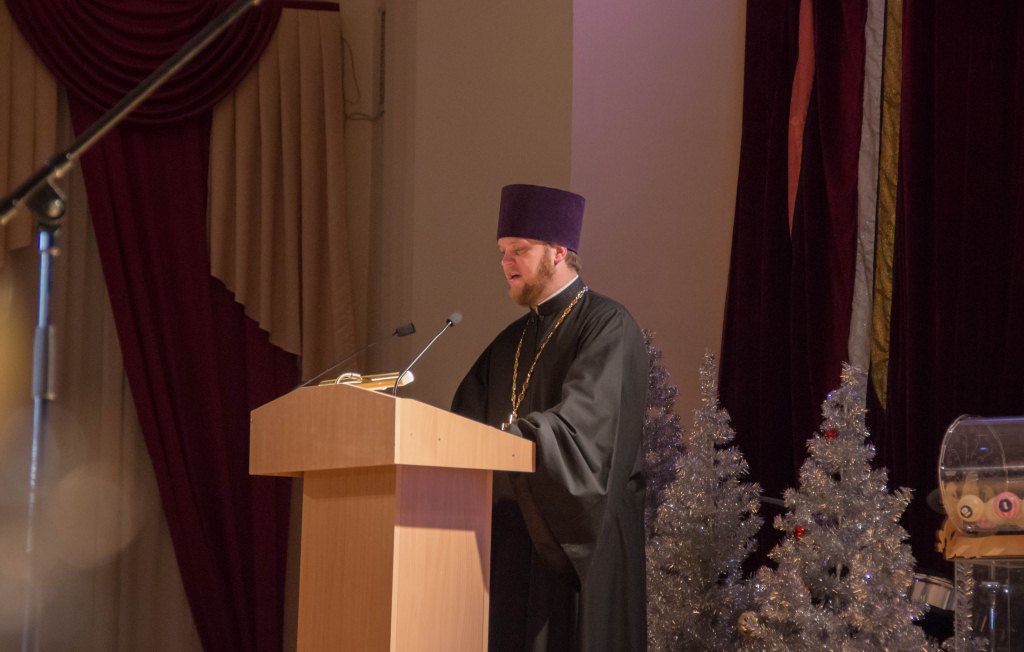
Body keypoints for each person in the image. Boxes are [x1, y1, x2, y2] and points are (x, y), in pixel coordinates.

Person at [452, 184, 648, 652]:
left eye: (519, 250)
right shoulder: (508, 343)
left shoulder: (608, 326)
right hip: (513, 546)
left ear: (559, 252)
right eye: (502, 252)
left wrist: (511, 440)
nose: (506, 262)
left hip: (579, 547)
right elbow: (461, 428)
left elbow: (588, 434)